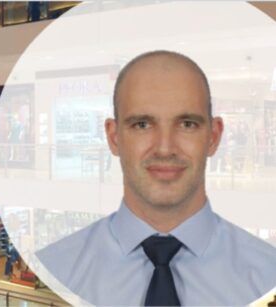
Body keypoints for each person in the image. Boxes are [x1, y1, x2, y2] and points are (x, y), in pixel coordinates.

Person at [36, 51, 276, 306]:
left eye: (187, 124)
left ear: (214, 137)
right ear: (114, 137)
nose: (164, 148)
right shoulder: (56, 268)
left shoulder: (266, 273)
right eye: (142, 124)